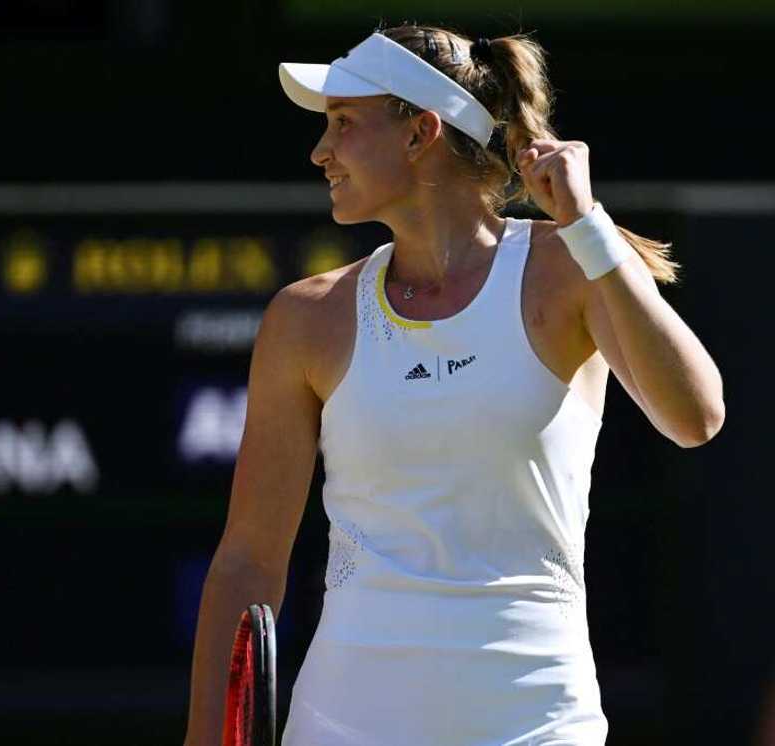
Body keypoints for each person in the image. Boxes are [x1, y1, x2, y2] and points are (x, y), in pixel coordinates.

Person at [183, 23, 725, 746]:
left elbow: (695, 415)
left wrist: (587, 223)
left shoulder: (571, 266)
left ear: (420, 133)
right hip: (341, 726)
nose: (320, 152)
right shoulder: (306, 317)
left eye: (344, 124)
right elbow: (248, 560)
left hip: (539, 723)